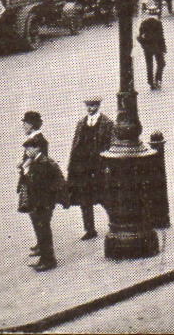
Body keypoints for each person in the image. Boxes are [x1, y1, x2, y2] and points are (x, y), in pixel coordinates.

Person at [66, 96, 113, 240]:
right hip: (83, 168)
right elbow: (76, 144)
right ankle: (89, 229)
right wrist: (72, 165)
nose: (90, 108)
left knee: (105, 197)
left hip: (98, 166)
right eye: (88, 106)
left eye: (93, 106)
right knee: (84, 199)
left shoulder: (107, 123)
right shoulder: (81, 123)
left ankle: (115, 222)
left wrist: (107, 165)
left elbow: (110, 144)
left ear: (98, 106)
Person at [18, 132, 65, 271]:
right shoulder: (37, 161)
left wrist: (26, 171)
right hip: (39, 202)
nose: (27, 152)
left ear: (37, 148)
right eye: (26, 150)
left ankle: (48, 260)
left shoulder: (42, 163)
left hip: (42, 203)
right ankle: (45, 258)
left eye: (29, 149)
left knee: (43, 231)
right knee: (41, 230)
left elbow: (38, 182)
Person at [138, 4, 166, 91]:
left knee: (150, 65)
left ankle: (151, 82)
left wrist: (144, 45)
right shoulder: (157, 23)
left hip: (148, 48)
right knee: (161, 63)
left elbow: (139, 37)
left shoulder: (144, 23)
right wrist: (163, 47)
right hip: (156, 47)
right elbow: (161, 36)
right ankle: (157, 79)